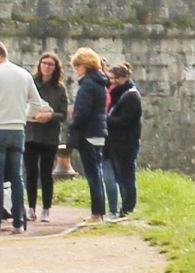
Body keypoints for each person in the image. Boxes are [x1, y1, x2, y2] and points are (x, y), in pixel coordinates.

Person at [0, 39, 51, 232]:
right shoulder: (23, 74)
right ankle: (18, 223)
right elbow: (37, 103)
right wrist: (24, 115)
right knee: (16, 177)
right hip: (17, 130)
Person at [69, 48, 113, 219]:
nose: (76, 70)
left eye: (77, 66)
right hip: (99, 132)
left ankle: (97, 213)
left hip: (88, 133)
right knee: (97, 173)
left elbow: (84, 112)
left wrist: (73, 124)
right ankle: (99, 212)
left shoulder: (87, 84)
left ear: (84, 65)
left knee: (93, 175)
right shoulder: (100, 83)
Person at [25, 51, 68, 216]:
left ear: (55, 67)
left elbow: (63, 114)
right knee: (30, 172)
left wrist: (50, 116)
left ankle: (46, 208)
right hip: (31, 133)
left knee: (46, 173)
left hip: (49, 136)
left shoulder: (59, 89)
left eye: (50, 64)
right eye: (44, 63)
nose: (46, 67)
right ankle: (30, 207)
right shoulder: (31, 83)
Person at [105, 61, 142, 217]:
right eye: (112, 78)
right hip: (117, 143)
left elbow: (125, 120)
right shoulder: (121, 94)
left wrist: (105, 119)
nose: (113, 82)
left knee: (127, 177)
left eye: (116, 79)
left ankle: (128, 207)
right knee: (121, 177)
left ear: (126, 77)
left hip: (126, 143)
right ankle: (125, 207)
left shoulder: (131, 96)